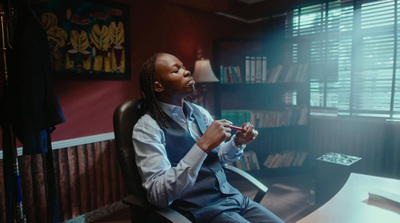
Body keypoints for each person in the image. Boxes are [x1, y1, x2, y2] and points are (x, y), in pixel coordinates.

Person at [132, 52, 284, 223]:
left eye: (184, 67)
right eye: (176, 70)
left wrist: (237, 142)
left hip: (233, 198)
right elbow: (158, 195)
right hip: (202, 211)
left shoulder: (199, 112)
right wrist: (202, 145)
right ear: (159, 86)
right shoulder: (147, 127)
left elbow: (217, 157)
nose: (187, 71)